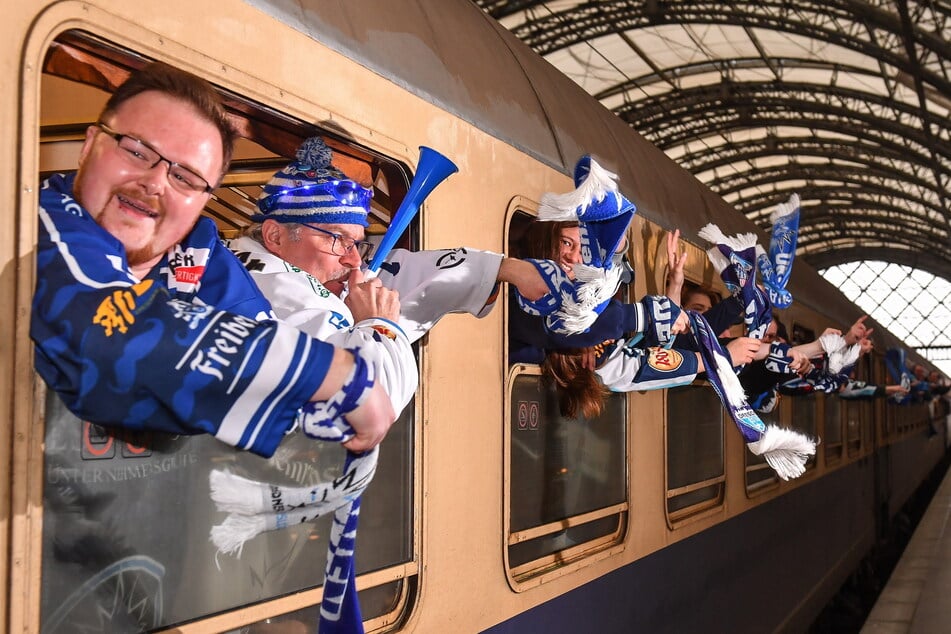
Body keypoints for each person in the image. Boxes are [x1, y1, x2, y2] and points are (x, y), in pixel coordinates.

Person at [31, 61, 395, 456]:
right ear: (89, 146)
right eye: (136, 151)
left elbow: (264, 343)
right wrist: (331, 372)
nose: (154, 183)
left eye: (185, 177)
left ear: (203, 200)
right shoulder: (41, 222)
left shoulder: (198, 248)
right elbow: (109, 332)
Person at [225, 136, 550, 417]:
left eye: (356, 243)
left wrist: (507, 269)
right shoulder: (280, 292)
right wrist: (378, 323)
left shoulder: (254, 268)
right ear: (276, 236)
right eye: (337, 238)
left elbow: (397, 273)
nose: (353, 260)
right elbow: (374, 400)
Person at [509, 220, 760, 418]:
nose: (574, 258)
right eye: (565, 242)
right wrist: (644, 315)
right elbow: (564, 323)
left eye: (582, 251)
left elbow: (645, 362)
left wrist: (720, 356)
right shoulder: (521, 296)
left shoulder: (598, 351)